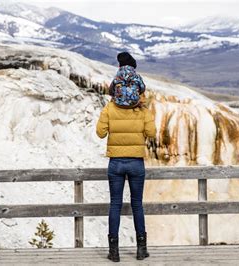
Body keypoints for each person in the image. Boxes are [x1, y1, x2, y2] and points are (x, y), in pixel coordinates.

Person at [96, 52, 156, 262]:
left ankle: (114, 251)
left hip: (116, 163)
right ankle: (141, 249)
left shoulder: (110, 107)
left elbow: (100, 133)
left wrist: (112, 120)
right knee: (137, 204)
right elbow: (152, 134)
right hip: (136, 163)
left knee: (115, 205)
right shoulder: (142, 109)